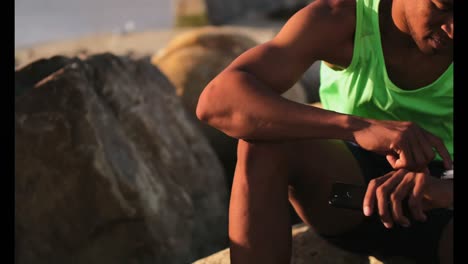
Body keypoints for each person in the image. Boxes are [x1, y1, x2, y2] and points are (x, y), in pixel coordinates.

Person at [196, 0, 453, 263]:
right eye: (443, 6)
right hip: (351, 197)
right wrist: (359, 127)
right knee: (263, 141)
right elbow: (217, 102)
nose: (453, 28)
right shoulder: (342, 18)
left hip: (444, 207)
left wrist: (445, 188)